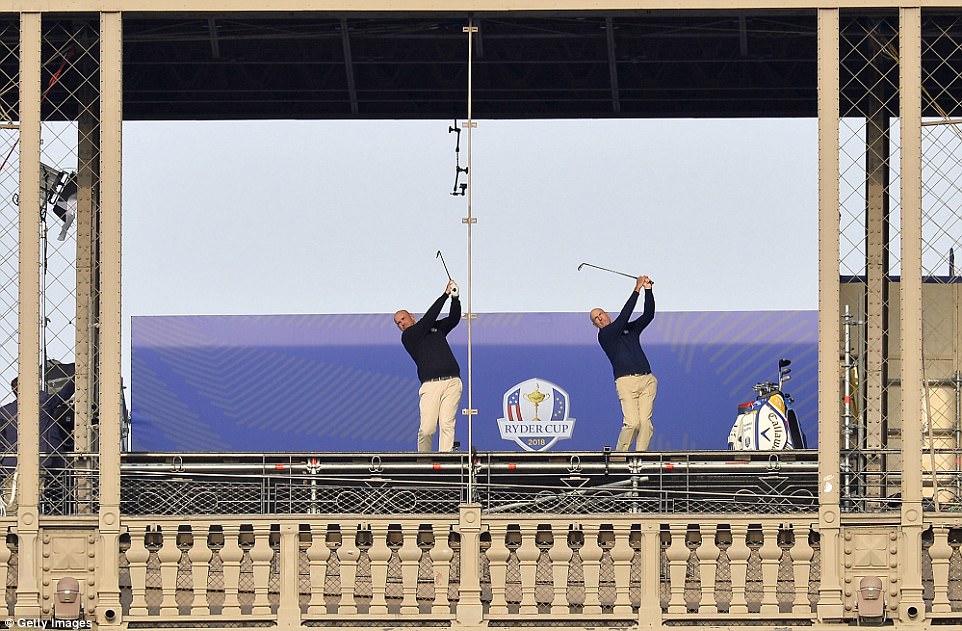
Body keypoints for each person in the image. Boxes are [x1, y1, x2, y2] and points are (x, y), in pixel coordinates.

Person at [590, 275, 657, 451]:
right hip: (626, 383)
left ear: (606, 314)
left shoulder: (629, 329)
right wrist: (636, 289)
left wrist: (648, 290)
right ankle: (619, 457)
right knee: (632, 423)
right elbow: (623, 317)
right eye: (596, 318)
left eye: (601, 314)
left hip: (646, 380)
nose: (600, 318)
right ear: (595, 324)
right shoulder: (605, 336)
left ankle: (639, 460)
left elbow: (648, 315)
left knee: (645, 424)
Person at [395, 280, 463, 452]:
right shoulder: (409, 336)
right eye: (398, 323)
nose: (401, 323)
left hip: (452, 382)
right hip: (431, 385)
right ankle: (424, 462)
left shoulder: (434, 328)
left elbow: (454, 319)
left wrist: (455, 298)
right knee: (427, 429)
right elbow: (428, 319)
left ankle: (444, 462)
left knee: (447, 425)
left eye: (403, 319)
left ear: (411, 316)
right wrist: (445, 295)